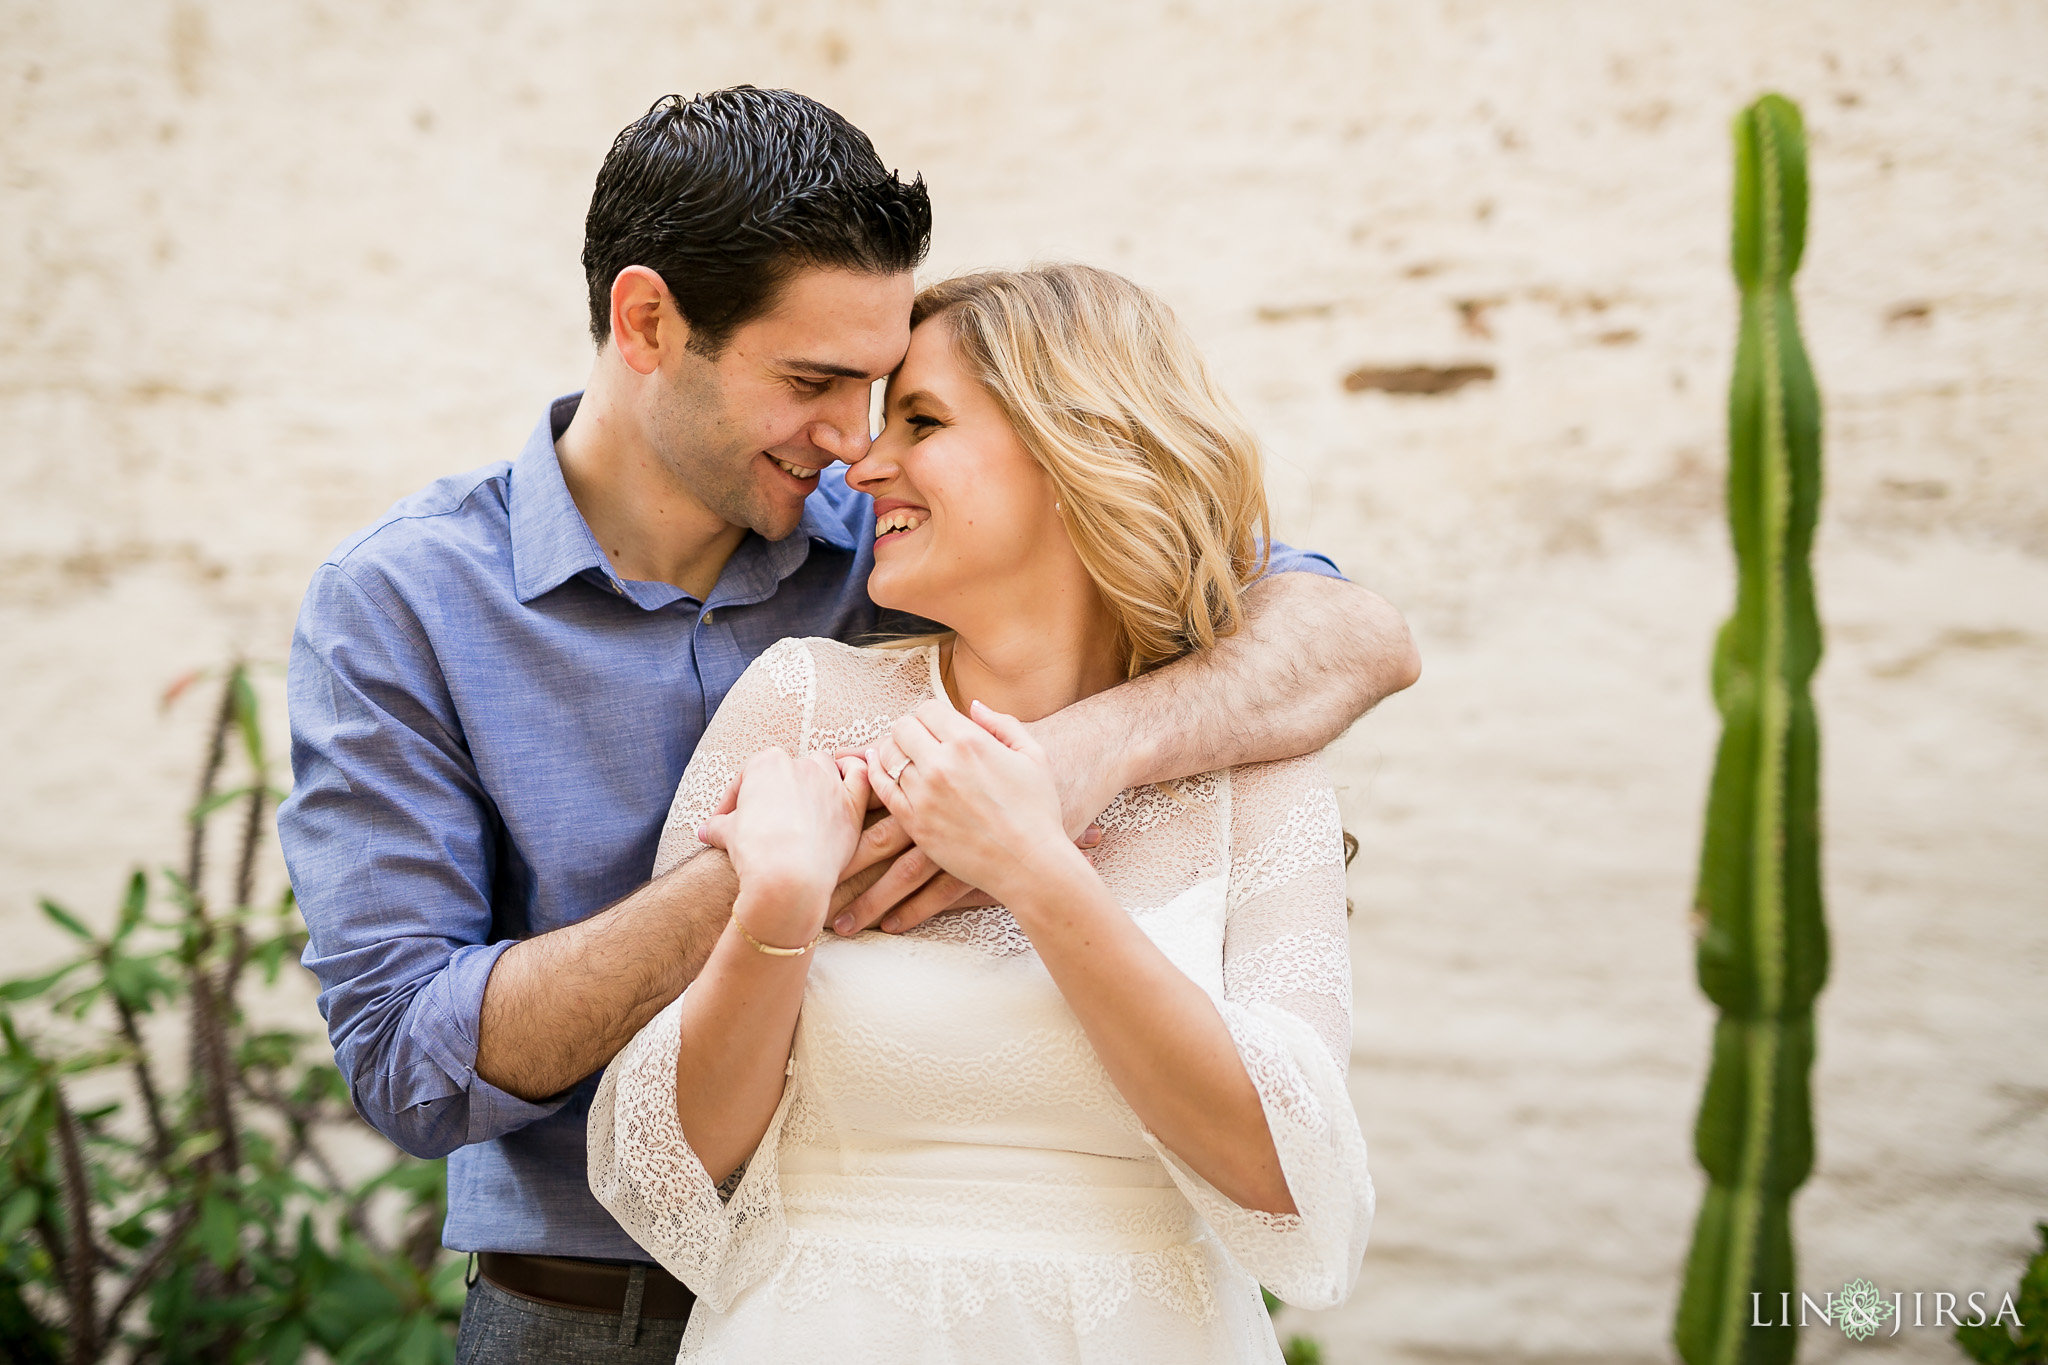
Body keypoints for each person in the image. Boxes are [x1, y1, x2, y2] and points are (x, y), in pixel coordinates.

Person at [281, 90, 1417, 1362]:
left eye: (885, 397)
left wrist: (1080, 758)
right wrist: (758, 886)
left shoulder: (900, 553)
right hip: (580, 1308)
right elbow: (407, 1063)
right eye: (814, 383)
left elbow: (1349, 633)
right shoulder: (402, 602)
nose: (850, 445)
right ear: (647, 321)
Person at [588, 264, 1381, 1363]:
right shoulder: (800, 701)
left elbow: (1294, 1184)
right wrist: (773, 906)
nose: (863, 466)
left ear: (1072, 451)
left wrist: (1037, 873)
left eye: (920, 420)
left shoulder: (1255, 769)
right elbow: (665, 1158)